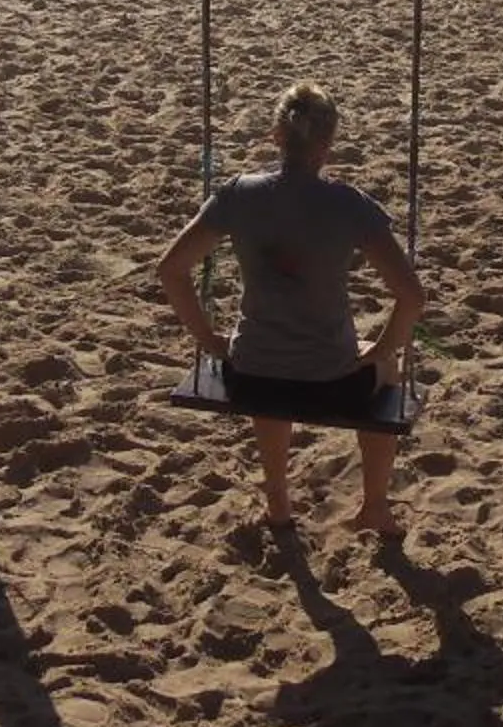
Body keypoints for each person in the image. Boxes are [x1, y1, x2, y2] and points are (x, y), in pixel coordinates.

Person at [158, 82, 425, 537]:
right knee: (388, 370)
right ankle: (375, 506)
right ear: (328, 144)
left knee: (267, 356)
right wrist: (380, 349)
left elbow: (170, 270)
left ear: (276, 136)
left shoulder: (239, 194)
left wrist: (208, 340)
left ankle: (278, 502)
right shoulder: (348, 204)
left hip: (250, 375)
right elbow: (412, 297)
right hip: (333, 382)